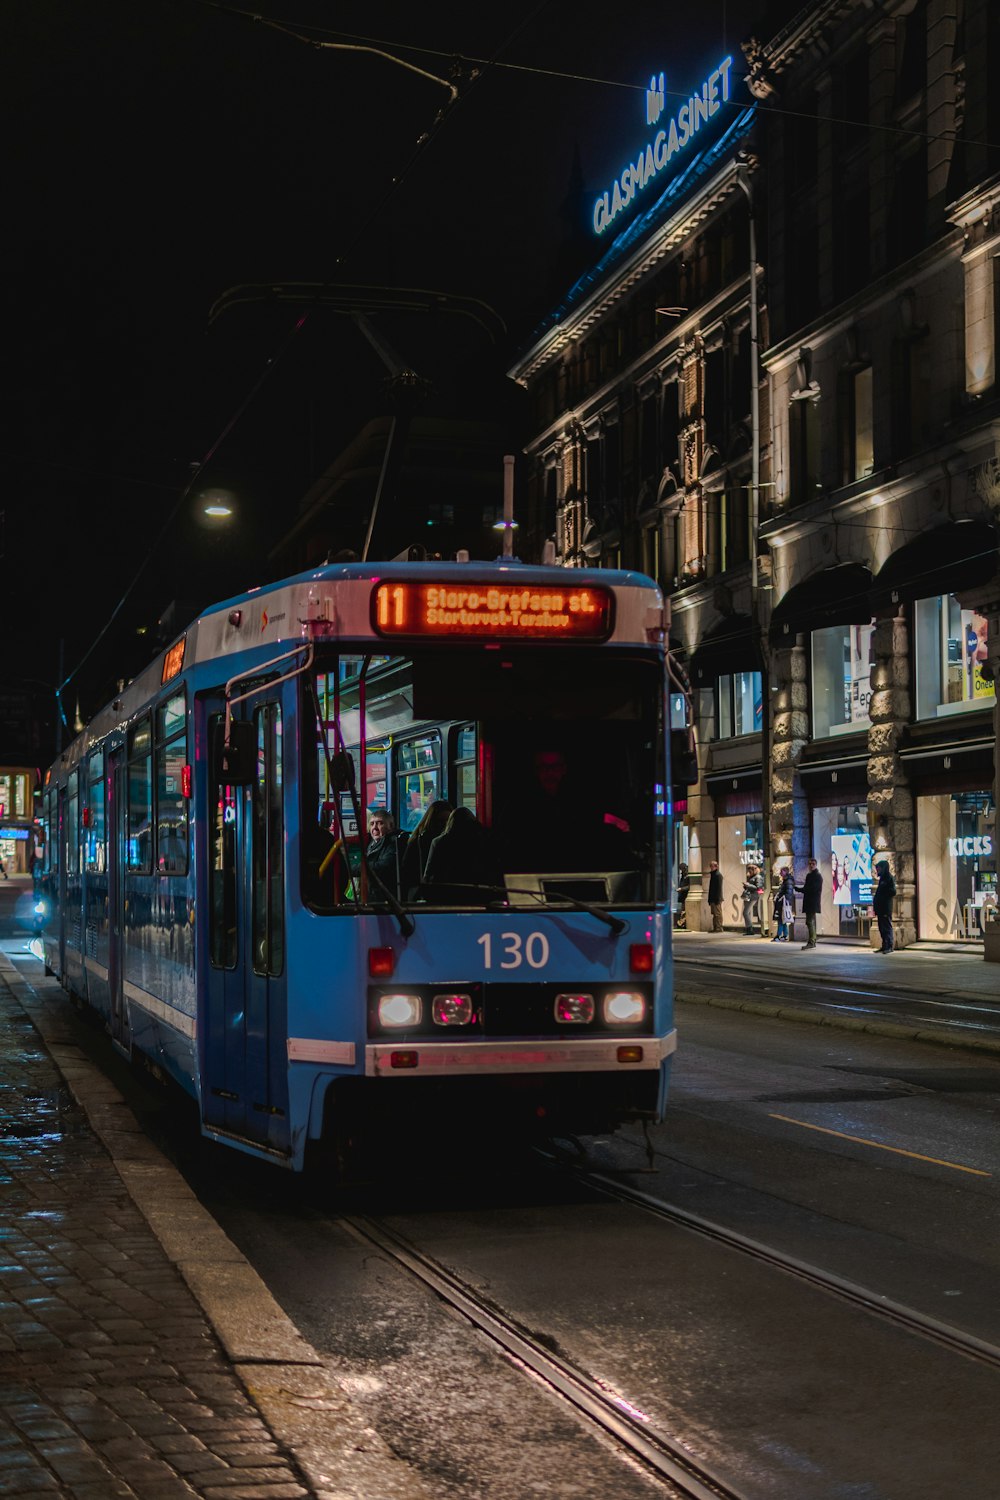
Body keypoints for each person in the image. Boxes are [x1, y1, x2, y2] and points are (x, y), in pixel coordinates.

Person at [423, 806, 502, 904]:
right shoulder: (485, 840)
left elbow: (430, 875)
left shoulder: (440, 842)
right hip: (480, 895)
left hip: (448, 896)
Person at [399, 798, 454, 900]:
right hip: (427, 891)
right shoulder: (422, 840)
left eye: (448, 821)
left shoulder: (418, 838)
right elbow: (408, 869)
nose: (444, 825)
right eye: (441, 821)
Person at [365, 810, 409, 901]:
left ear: (391, 826)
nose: (375, 828)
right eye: (372, 824)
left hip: (387, 898)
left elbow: (383, 867)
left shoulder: (395, 843)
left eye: (380, 823)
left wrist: (358, 868)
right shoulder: (370, 843)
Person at [795, 857, 823, 949]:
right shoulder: (809, 875)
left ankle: (812, 941)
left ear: (816, 865)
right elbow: (807, 888)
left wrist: (800, 889)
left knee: (809, 921)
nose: (811, 866)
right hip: (809, 901)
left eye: (813, 864)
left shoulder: (817, 876)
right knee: (810, 921)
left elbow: (812, 889)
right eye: (810, 864)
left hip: (812, 901)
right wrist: (800, 889)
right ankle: (812, 940)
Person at [872, 859, 896, 952]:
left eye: (879, 868)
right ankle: (884, 945)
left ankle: (889, 946)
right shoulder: (882, 879)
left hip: (885, 907)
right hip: (881, 908)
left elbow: (893, 891)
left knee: (886, 927)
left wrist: (883, 894)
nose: (877, 871)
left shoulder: (888, 878)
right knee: (882, 928)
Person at [772, 866, 795, 941]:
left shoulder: (788, 881)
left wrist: (782, 898)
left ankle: (778, 936)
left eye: (782, 871)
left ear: (786, 872)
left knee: (780, 919)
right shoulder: (786, 880)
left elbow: (788, 892)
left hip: (784, 903)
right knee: (783, 919)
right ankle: (785, 935)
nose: (780, 873)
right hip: (783, 902)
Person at [741, 865, 762, 935]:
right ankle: (748, 929)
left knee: (745, 912)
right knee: (747, 912)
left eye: (750, 871)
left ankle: (750, 929)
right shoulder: (752, 877)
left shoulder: (758, 877)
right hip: (749, 896)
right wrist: (746, 886)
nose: (749, 872)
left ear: (754, 870)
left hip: (753, 896)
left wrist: (748, 885)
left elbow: (758, 888)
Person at [708, 860, 724, 932]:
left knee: (717, 914)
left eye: (712, 866)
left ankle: (719, 927)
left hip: (716, 898)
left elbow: (719, 888)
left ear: (716, 866)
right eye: (710, 866)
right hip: (713, 898)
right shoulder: (713, 875)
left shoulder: (718, 875)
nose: (711, 867)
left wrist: (718, 898)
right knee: (714, 913)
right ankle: (715, 927)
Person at [675, 863, 690, 929]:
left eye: (681, 869)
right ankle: (681, 923)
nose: (681, 871)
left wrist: (681, 889)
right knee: (683, 910)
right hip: (683, 895)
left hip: (685, 895)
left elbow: (689, 886)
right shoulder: (684, 875)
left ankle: (681, 923)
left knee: (684, 911)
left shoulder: (687, 875)